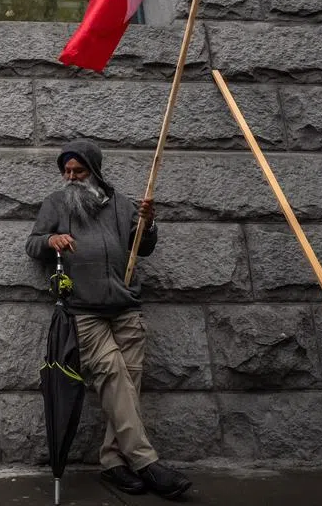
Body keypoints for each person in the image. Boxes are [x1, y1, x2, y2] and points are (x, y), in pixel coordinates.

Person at [26, 139, 192, 500]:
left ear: (94, 171)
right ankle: (147, 462)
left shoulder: (120, 205)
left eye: (78, 171)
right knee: (114, 377)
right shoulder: (56, 203)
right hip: (83, 312)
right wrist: (51, 239)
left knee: (127, 386)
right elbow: (33, 244)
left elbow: (142, 247)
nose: (70, 177)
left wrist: (147, 225)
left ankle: (114, 463)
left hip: (126, 308)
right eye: (66, 171)